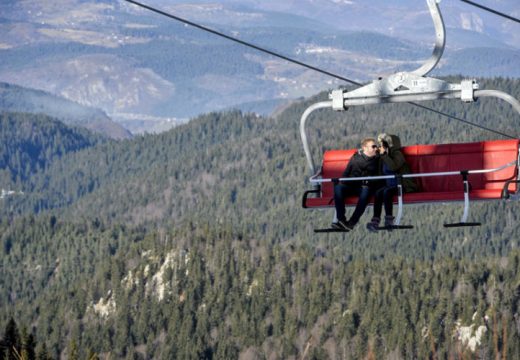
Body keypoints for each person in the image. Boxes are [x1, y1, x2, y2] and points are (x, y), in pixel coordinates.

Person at [366, 133, 419, 231]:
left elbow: (394, 166)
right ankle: (375, 220)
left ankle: (389, 219)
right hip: (389, 184)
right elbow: (380, 172)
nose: (381, 146)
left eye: (382, 144)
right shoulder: (384, 157)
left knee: (387, 192)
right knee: (378, 193)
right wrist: (377, 156)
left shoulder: (397, 154)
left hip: (402, 184)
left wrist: (384, 156)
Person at [332, 138, 380, 231]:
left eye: (376, 146)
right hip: (351, 185)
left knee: (365, 192)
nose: (375, 148)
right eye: (373, 146)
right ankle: (341, 219)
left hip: (364, 187)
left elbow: (379, 175)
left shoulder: (377, 160)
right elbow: (347, 172)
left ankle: (352, 221)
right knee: (338, 188)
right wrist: (342, 181)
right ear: (364, 148)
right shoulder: (355, 157)